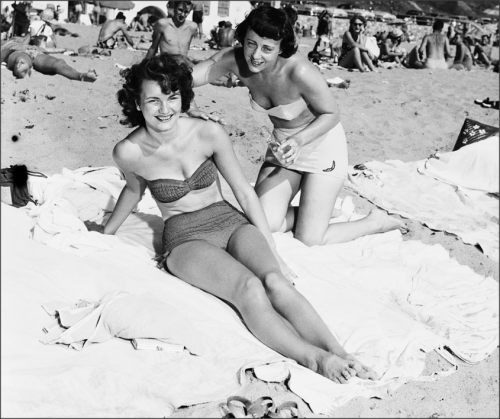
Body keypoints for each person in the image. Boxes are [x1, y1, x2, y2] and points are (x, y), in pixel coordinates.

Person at [85, 53, 378, 384]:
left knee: (276, 281)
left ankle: (339, 351)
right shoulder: (129, 152)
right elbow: (133, 191)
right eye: (153, 100)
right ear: (137, 104)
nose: (164, 108)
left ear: (182, 96)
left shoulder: (208, 133)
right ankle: (314, 359)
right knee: (249, 288)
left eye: (172, 96)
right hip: (185, 239)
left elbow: (244, 192)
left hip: (229, 220)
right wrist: (106, 230)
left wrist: (273, 250)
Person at [189, 4, 406, 247]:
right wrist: (191, 105)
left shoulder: (299, 70)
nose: (256, 55)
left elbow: (332, 113)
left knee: (310, 238)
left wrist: (299, 140)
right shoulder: (235, 60)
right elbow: (186, 78)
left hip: (321, 145)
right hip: (283, 148)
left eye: (267, 48)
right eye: (251, 43)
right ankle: (312, 213)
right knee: (262, 223)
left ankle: (375, 222)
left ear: (281, 48)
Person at [1, 39, 97, 82]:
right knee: (21, 58)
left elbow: (49, 50)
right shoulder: (6, 44)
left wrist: (64, 49)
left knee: (58, 62)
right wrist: (9, 48)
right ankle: (23, 67)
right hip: (15, 50)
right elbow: (3, 53)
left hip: (35, 51)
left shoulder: (17, 39)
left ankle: (81, 76)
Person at [145, 1, 197, 67]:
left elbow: (185, 49)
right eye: (180, 10)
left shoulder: (192, 27)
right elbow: (153, 48)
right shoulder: (162, 24)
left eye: (186, 12)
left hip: (184, 65)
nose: (183, 14)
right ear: (174, 8)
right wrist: (144, 66)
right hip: (168, 65)